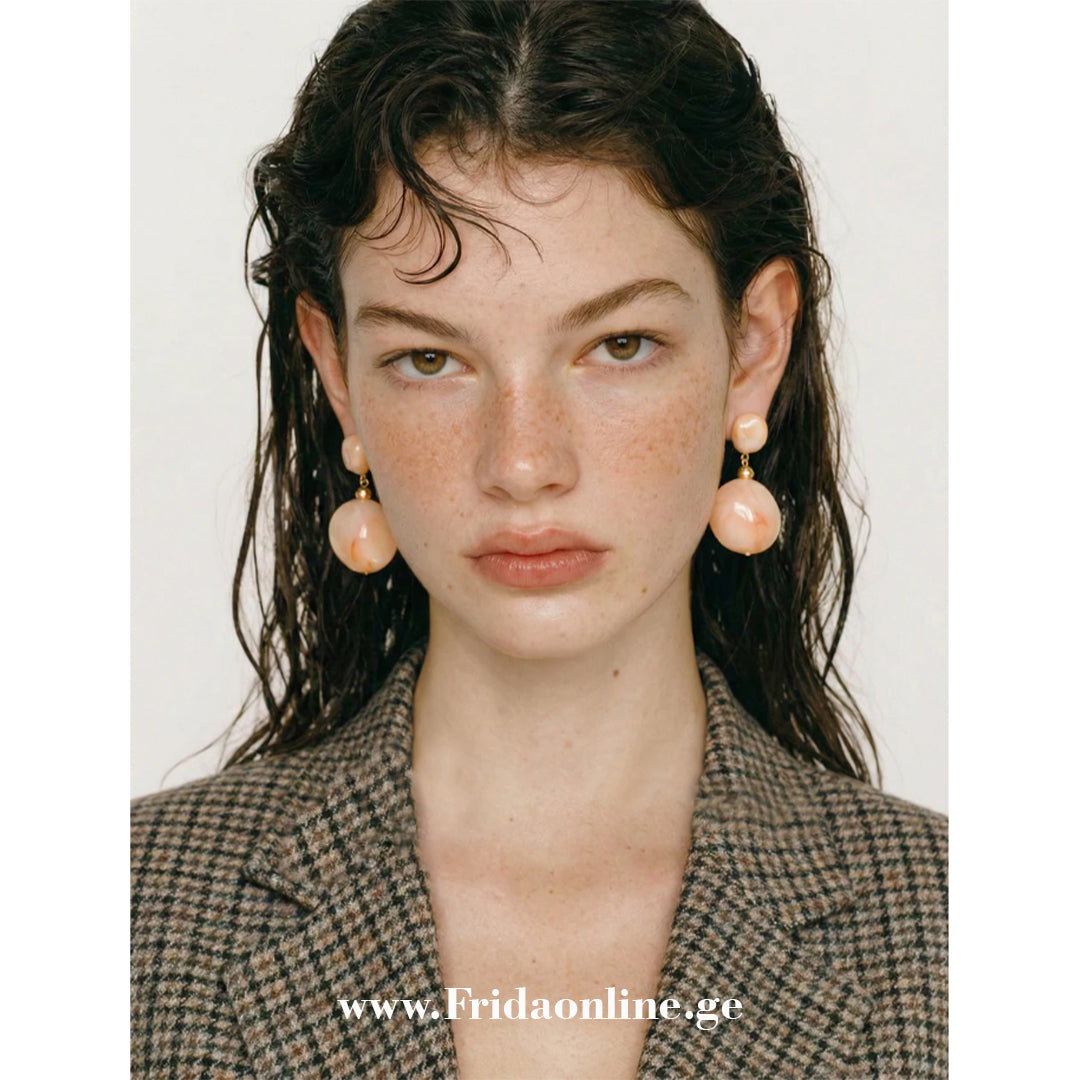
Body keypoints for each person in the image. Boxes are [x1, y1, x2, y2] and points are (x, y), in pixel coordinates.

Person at [130, 1, 947, 1077]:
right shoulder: (125, 915)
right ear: (337, 372)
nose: (522, 463)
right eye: (431, 359)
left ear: (754, 348)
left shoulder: (961, 933)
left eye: (620, 345)